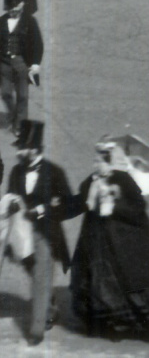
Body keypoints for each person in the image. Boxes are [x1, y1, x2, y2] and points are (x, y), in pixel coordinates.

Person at [70, 139, 149, 341]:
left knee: (132, 280)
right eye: (95, 161)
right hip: (98, 240)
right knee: (100, 281)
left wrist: (114, 205)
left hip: (126, 241)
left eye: (100, 161)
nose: (96, 165)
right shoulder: (92, 180)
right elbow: (82, 199)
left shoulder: (123, 179)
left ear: (109, 161)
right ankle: (111, 326)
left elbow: (138, 207)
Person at [6, 120, 74, 346]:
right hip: (22, 234)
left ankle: (36, 331)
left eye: (21, 147)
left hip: (46, 233)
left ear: (34, 148)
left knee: (41, 277)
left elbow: (69, 205)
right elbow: (10, 196)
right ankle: (49, 306)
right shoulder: (16, 171)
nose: (18, 151)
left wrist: (44, 209)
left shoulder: (54, 173)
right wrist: (12, 205)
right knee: (33, 273)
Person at [0, 1, 42, 135]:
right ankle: (13, 116)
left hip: (22, 64)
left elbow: (38, 43)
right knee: (5, 93)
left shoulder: (30, 22)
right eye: (11, 7)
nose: (14, 9)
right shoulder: (1, 21)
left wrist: (35, 64)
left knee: (23, 96)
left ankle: (20, 125)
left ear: (22, 6)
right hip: (4, 64)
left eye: (16, 6)